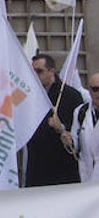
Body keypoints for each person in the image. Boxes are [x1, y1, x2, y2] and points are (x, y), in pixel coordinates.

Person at [24, 53, 83, 187]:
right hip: (36, 164)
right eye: (32, 71)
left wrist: (61, 126)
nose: (35, 75)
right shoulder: (30, 95)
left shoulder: (71, 95)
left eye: (39, 71)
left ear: (51, 71)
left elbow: (79, 129)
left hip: (61, 166)